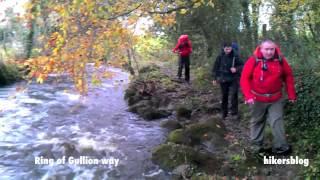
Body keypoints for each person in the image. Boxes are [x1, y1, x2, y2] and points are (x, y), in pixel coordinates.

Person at [240, 39, 297, 155]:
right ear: (261, 49)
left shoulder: (280, 60)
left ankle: (281, 147)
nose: (269, 52)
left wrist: (291, 94)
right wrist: (248, 96)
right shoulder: (253, 60)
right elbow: (244, 78)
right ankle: (256, 146)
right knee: (257, 121)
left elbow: (288, 76)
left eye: (272, 49)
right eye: (266, 49)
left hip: (275, 98)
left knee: (277, 121)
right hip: (257, 98)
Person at [212, 42, 243, 120]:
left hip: (234, 78)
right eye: (226, 49)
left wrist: (236, 69)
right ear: (223, 48)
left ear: (231, 48)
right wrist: (214, 78)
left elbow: (243, 65)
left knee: (234, 95)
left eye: (229, 48)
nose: (227, 50)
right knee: (224, 96)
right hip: (223, 78)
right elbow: (215, 68)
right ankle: (224, 113)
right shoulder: (220, 57)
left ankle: (234, 112)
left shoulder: (236, 56)